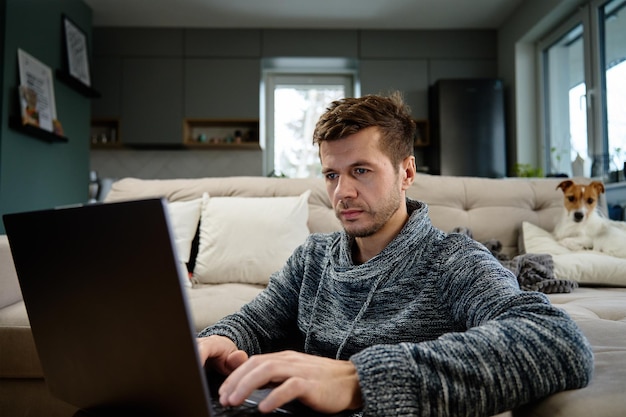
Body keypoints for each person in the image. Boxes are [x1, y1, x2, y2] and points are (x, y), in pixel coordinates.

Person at [197, 92, 593, 416]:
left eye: (361, 171)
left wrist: (359, 380)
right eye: (332, 175)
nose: (342, 192)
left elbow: (557, 340)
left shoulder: (453, 260)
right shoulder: (313, 258)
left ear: (406, 172)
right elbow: (256, 321)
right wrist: (220, 340)